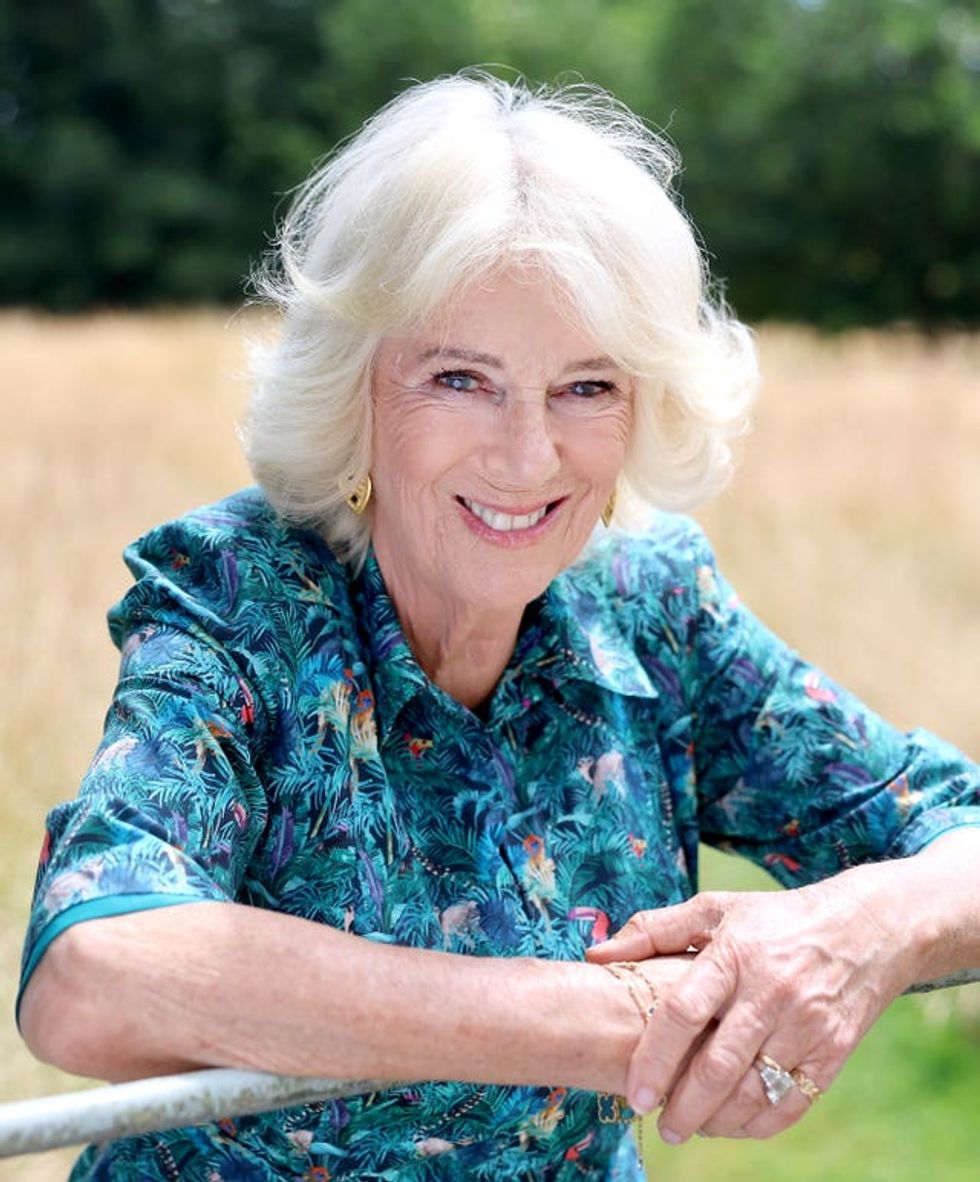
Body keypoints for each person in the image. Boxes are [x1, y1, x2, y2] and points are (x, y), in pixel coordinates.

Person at [17, 72, 980, 1181]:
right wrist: (610, 1020)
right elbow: (93, 974)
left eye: (585, 388)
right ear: (356, 389)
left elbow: (954, 834)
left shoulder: (652, 610)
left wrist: (851, 929)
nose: (527, 459)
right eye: (462, 378)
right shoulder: (242, 597)